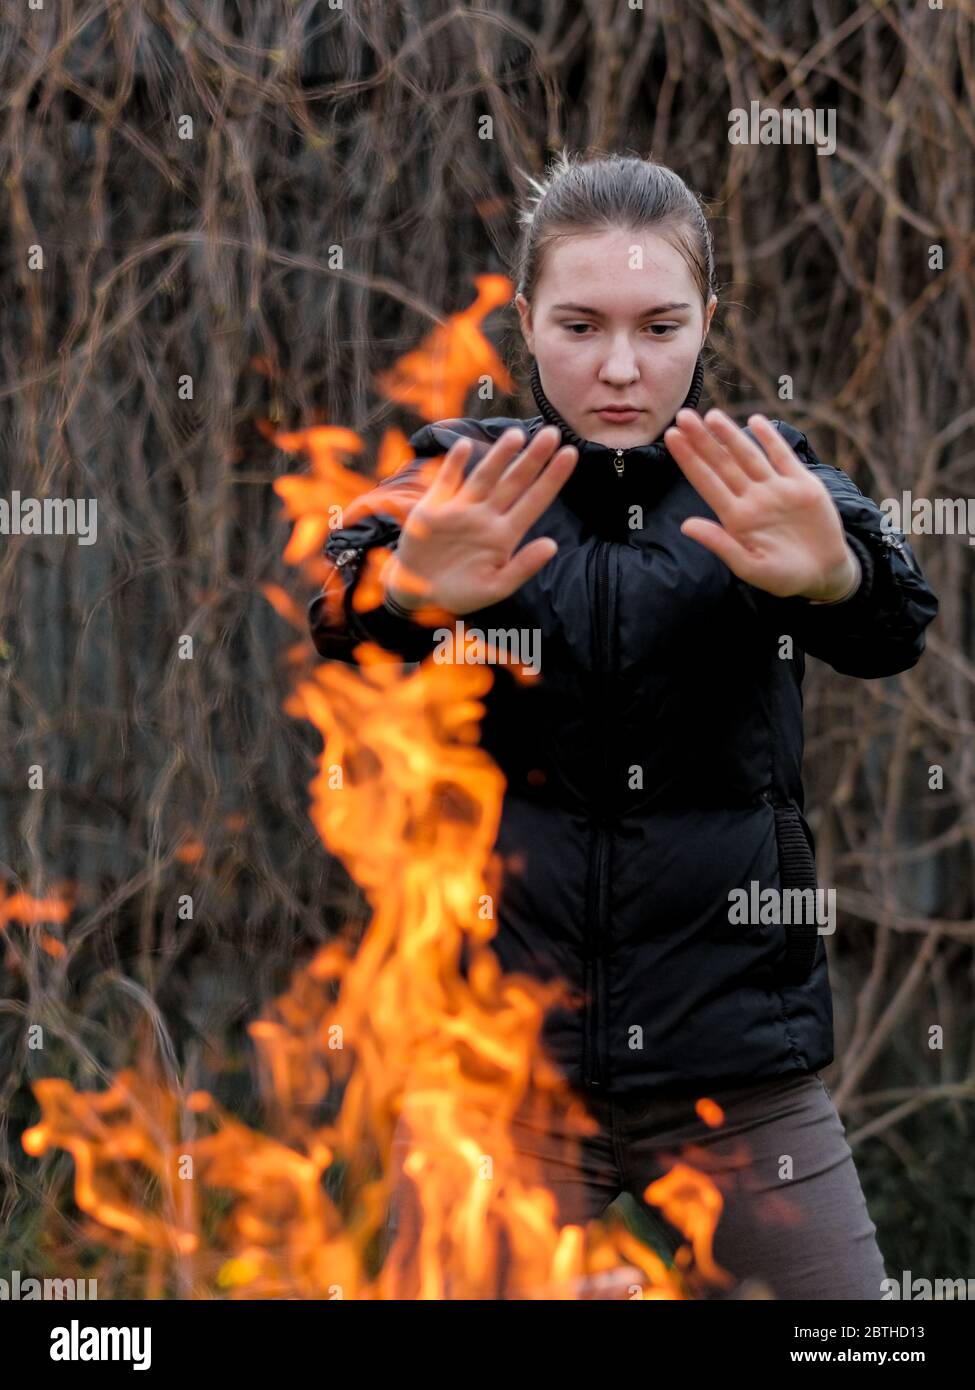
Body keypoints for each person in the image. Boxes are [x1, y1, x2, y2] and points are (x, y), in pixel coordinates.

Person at [308, 152, 939, 1299]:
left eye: (658, 327)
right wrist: (400, 593)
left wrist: (837, 575)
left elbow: (892, 627)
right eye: (580, 324)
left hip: (743, 1076)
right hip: (502, 1077)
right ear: (526, 322)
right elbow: (339, 614)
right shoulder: (465, 478)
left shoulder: (762, 479)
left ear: (709, 320)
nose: (617, 367)